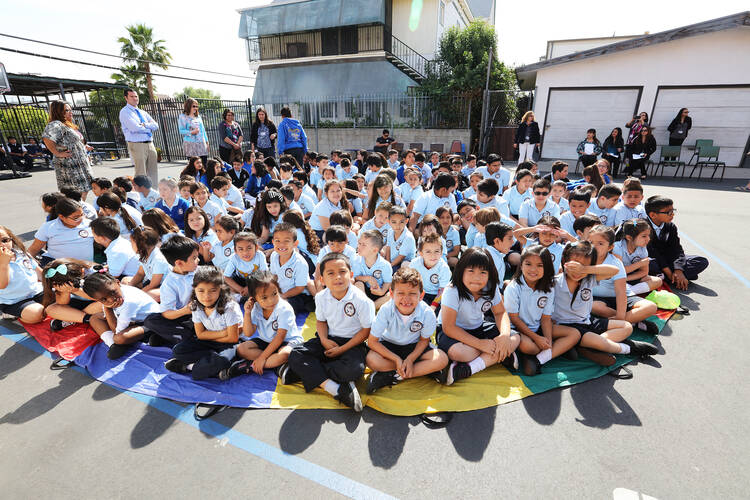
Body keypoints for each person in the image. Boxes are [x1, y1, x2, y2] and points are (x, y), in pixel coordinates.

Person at [285, 253, 374, 412]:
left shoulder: (362, 300)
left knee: (355, 369)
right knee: (296, 354)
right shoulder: (320, 297)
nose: (337, 277)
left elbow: (366, 330)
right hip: (328, 339)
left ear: (351, 275)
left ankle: (303, 373)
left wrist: (343, 349)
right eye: (330, 273)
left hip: (352, 343)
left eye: (342, 272)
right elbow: (321, 322)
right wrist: (324, 339)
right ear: (322, 279)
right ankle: (336, 389)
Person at [551, 241, 657, 366]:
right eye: (574, 266)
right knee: (590, 338)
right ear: (564, 262)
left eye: (584, 266)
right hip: (568, 328)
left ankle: (589, 347)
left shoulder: (589, 278)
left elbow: (614, 270)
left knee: (626, 326)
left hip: (588, 321)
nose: (577, 271)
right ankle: (628, 348)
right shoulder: (555, 282)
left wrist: (585, 269)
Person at [437, 248, 520, 385]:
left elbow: (500, 313)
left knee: (515, 338)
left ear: (490, 274)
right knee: (460, 353)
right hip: (454, 332)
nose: (476, 277)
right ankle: (501, 355)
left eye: (483, 272)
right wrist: (481, 345)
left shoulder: (490, 287)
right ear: (461, 271)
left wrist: (504, 336)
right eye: (471, 271)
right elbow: (449, 327)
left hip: (478, 327)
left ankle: (468, 369)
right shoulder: (452, 290)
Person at [365, 267, 450, 394]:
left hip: (414, 346)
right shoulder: (385, 310)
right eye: (400, 293)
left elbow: (424, 340)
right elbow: (372, 342)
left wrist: (410, 359)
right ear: (392, 294)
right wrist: (396, 360)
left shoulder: (427, 313)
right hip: (389, 346)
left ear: (421, 295)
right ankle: (417, 370)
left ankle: (393, 375)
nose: (406, 299)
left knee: (442, 359)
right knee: (371, 359)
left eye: (412, 293)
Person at [504, 245, 580, 376]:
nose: (533, 269)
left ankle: (542, 356)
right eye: (528, 264)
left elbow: (546, 318)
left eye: (540, 265)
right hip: (518, 330)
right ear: (521, 265)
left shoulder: (548, 287)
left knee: (575, 334)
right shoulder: (513, 288)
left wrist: (548, 341)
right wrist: (537, 338)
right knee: (527, 346)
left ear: (547, 268)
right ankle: (550, 352)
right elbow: (514, 319)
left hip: (538, 327)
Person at [221, 270, 303, 379]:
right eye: (264, 297)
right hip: (267, 341)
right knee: (241, 349)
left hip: (287, 341)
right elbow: (248, 333)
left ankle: (250, 366)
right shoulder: (256, 307)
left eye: (274, 293)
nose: (271, 300)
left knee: (285, 354)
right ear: (254, 298)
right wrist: (247, 313)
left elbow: (279, 338)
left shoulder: (284, 308)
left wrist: (262, 358)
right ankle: (275, 365)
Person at [165, 266, 242, 379]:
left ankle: (189, 367)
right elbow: (200, 334)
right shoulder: (196, 306)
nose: (206, 296)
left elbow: (233, 338)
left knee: (221, 360)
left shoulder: (229, 307)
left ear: (220, 290)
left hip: (228, 344)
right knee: (178, 350)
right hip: (210, 342)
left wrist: (210, 336)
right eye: (201, 291)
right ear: (194, 290)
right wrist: (223, 332)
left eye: (213, 290)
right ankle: (213, 367)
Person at [586, 225, 660, 334]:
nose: (594, 246)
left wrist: (620, 317)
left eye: (600, 243)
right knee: (593, 306)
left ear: (610, 247)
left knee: (651, 307)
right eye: (591, 242)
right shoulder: (584, 259)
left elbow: (621, 293)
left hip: (619, 297)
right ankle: (634, 321)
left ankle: (609, 324)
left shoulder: (615, 263)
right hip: (597, 299)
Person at [84, 271, 161, 360]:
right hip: (132, 320)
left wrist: (107, 308)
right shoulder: (112, 297)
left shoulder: (129, 301)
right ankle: (113, 344)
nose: (111, 299)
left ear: (118, 283)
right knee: (94, 318)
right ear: (97, 300)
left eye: (113, 292)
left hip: (151, 322)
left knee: (119, 338)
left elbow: (116, 331)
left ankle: (120, 343)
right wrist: (106, 307)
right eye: (103, 299)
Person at [144, 236, 200, 346]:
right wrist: (185, 310)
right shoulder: (169, 284)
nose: (198, 260)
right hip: (184, 315)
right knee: (151, 320)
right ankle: (186, 338)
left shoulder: (200, 272)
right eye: (194, 258)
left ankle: (167, 337)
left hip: (202, 314)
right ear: (179, 263)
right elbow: (167, 313)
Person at [645, 195, 708, 290]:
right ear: (653, 215)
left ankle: (667, 278)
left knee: (701, 261)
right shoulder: (643, 227)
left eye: (673, 211)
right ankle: (672, 278)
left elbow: (676, 249)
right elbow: (653, 253)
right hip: (652, 260)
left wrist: (679, 270)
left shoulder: (670, 226)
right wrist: (670, 273)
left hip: (668, 259)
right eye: (668, 212)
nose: (672, 214)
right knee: (650, 264)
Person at [42, 101, 95, 196]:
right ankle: (74, 209)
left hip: (80, 162)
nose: (70, 112)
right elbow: (47, 138)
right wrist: (57, 153)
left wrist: (84, 147)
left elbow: (73, 140)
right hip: (70, 164)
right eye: (67, 110)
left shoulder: (68, 123)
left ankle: (77, 209)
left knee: (84, 189)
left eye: (71, 110)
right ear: (58, 112)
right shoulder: (56, 124)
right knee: (76, 192)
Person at [27, 198, 94, 265]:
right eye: (76, 218)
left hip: (87, 267)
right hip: (59, 270)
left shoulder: (90, 224)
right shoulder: (48, 228)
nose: (81, 219)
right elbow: (33, 250)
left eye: (82, 215)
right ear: (61, 217)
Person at [0, 225, 45, 324]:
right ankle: (13, 314)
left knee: (62, 299)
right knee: (37, 314)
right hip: (14, 301)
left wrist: (53, 284)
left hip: (36, 291)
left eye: (4, 240)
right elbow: (2, 285)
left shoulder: (21, 253)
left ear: (12, 239)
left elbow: (39, 272)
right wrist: (4, 263)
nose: (2, 245)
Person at [119, 88, 159, 186]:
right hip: (137, 145)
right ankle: (140, 196)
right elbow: (134, 128)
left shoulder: (142, 112)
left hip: (150, 144)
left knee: (153, 172)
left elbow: (156, 125)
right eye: (132, 96)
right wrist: (148, 127)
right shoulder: (125, 112)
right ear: (126, 98)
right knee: (141, 173)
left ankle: (154, 195)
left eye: (136, 96)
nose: (135, 98)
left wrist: (144, 125)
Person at [612, 218, 663, 294]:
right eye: (644, 236)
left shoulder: (642, 248)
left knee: (658, 281)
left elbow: (644, 272)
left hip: (627, 277)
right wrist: (640, 263)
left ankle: (630, 292)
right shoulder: (617, 248)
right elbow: (619, 271)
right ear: (629, 237)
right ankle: (627, 292)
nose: (648, 239)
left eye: (648, 235)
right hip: (615, 277)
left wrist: (626, 279)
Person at [123, 225, 171, 302]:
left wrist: (138, 293)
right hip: (150, 281)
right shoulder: (144, 254)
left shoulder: (159, 260)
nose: (130, 244)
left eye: (131, 242)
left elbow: (154, 284)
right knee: (125, 281)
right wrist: (130, 286)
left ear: (141, 245)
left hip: (163, 286)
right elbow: (140, 273)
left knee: (150, 295)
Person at [178, 98, 209, 166]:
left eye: (196, 106)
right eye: (193, 106)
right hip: (190, 144)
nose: (195, 108)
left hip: (201, 143)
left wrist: (207, 142)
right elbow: (181, 130)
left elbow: (203, 130)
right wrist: (192, 132)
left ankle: (203, 177)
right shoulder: (182, 117)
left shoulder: (198, 117)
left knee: (204, 164)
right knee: (193, 165)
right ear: (188, 106)